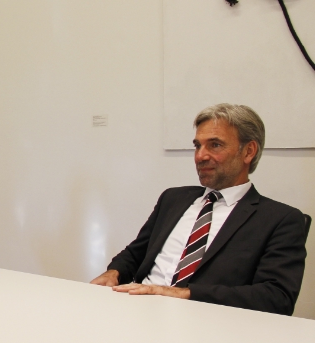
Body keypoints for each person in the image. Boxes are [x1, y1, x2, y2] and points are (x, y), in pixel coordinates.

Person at [91, 103, 307, 315]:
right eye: (197, 146)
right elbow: (135, 253)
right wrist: (114, 272)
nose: (200, 156)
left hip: (206, 323)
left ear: (248, 151)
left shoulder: (280, 220)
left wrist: (183, 294)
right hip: (138, 310)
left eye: (215, 145)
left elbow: (277, 298)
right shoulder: (173, 199)